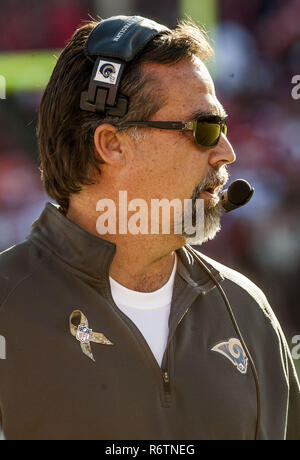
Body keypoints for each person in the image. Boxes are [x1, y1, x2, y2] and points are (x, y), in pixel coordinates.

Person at [0, 15, 299, 441]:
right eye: (204, 129)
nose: (226, 153)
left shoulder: (248, 312)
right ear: (111, 144)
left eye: (224, 128)